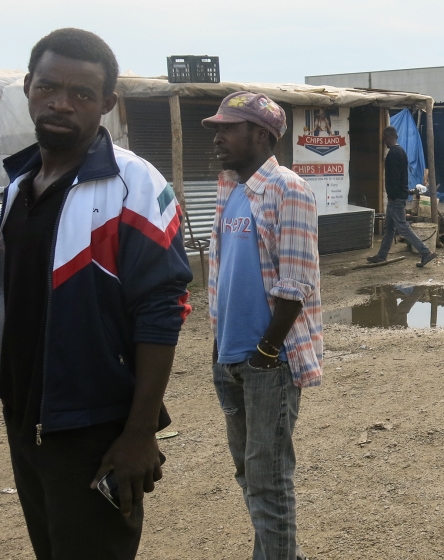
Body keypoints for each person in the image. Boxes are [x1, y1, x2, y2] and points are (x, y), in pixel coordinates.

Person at [0, 28, 192, 559]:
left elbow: (163, 308)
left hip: (95, 430)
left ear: (107, 104)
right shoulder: (15, 189)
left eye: (82, 94)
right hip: (26, 421)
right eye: (48, 87)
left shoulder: (133, 186)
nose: (61, 103)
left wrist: (138, 433)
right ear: (29, 90)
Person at [203, 91, 322, 560]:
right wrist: (222, 347)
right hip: (229, 355)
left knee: (268, 480)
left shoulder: (287, 189)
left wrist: (267, 350)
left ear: (260, 134)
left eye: (227, 128)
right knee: (249, 475)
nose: (217, 136)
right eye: (216, 127)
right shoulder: (229, 189)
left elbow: (297, 283)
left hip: (267, 362)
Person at [366, 126, 437, 267]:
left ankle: (426, 252)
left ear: (387, 137)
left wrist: (394, 195)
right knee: (390, 227)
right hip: (397, 197)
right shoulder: (401, 152)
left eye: (384, 138)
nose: (384, 141)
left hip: (396, 198)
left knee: (403, 228)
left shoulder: (393, 154)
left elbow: (395, 178)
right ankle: (381, 256)